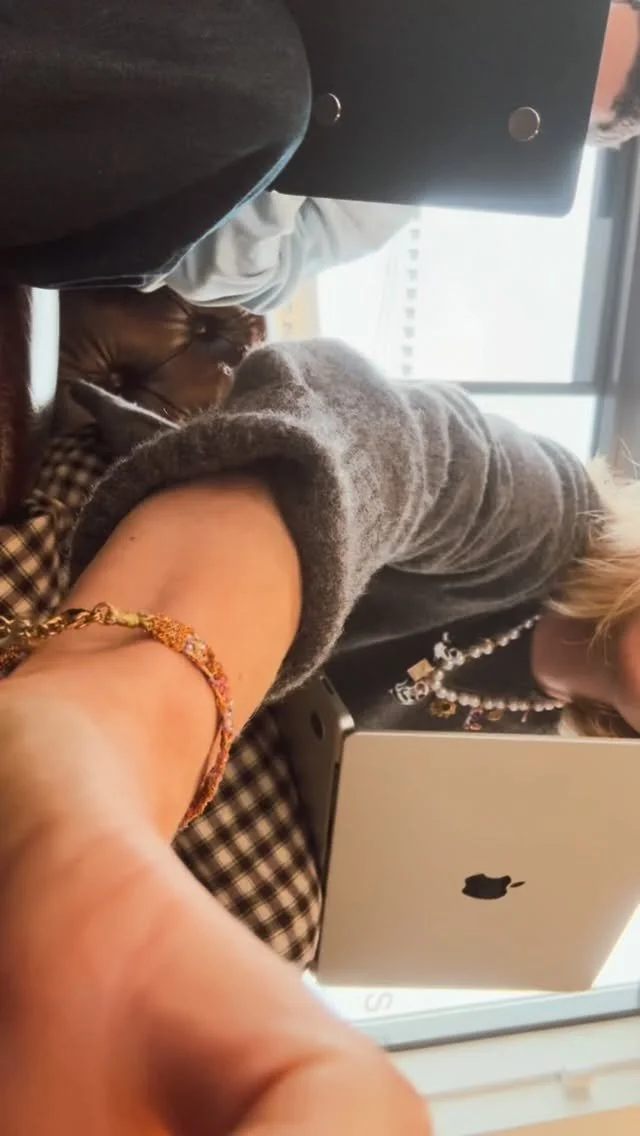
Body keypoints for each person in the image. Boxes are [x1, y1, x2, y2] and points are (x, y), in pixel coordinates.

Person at [1, 332, 639, 1130]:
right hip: (108, 554)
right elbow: (364, 425)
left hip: (190, 784)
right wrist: (99, 733)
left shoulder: (554, 771)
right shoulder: (551, 516)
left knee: (278, 926)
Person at [0, 0, 615, 290]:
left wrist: (321, 148)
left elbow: (218, 277)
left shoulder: (385, 200)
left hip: (107, 160)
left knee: (266, 90)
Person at [140, 0, 640, 313]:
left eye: (555, 92)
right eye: (563, 37)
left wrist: (316, 138)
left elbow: (214, 276)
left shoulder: (387, 198)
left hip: (135, 161)